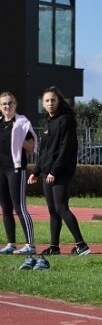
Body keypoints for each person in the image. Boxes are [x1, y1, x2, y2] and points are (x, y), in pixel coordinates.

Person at [27, 86, 91, 257]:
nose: (50, 103)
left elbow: (65, 148)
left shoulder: (65, 120)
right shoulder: (49, 121)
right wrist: (36, 171)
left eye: (53, 100)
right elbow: (45, 151)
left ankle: (82, 246)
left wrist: (54, 171)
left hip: (59, 172)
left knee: (62, 208)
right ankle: (54, 247)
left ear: (59, 101)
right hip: (47, 172)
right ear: (43, 103)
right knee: (53, 211)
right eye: (47, 101)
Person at [0, 92, 38, 261]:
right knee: (5, 208)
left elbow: (31, 148)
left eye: (10, 103)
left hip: (16, 169)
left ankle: (30, 245)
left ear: (15, 105)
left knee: (19, 207)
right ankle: (11, 243)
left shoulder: (22, 123)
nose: (7, 107)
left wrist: (20, 139)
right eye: (3, 104)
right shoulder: (0, 124)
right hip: (1, 170)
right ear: (0, 107)